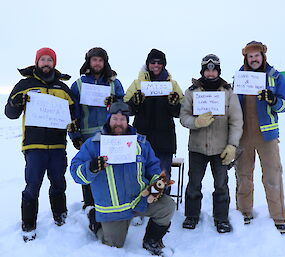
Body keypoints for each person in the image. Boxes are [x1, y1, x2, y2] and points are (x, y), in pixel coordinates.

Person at [70, 102, 175, 256]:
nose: (118, 123)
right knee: (113, 246)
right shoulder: (93, 144)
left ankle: (151, 240)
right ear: (108, 120)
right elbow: (75, 172)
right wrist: (91, 167)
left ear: (127, 121)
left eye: (122, 119)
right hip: (113, 208)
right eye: (115, 119)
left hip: (140, 200)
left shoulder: (140, 143)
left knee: (167, 206)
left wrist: (157, 183)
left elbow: (153, 166)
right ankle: (95, 220)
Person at [5, 47, 77, 242]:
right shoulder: (25, 84)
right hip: (33, 146)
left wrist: (74, 130)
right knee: (32, 185)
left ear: (54, 63)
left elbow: (74, 114)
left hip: (57, 146)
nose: (46, 63)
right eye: (43, 59)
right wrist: (17, 103)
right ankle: (28, 224)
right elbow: (10, 114)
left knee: (58, 183)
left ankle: (60, 216)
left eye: (49, 60)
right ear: (37, 62)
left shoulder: (63, 88)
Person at [180, 54, 243, 233]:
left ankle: (221, 218)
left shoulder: (228, 93)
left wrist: (232, 145)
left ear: (218, 70)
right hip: (197, 148)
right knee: (193, 183)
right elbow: (184, 117)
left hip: (221, 149)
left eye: (213, 69)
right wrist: (196, 122)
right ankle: (191, 215)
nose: (210, 73)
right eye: (207, 70)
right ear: (202, 71)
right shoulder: (192, 92)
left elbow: (236, 121)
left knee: (221, 185)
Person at [235, 41, 285, 234]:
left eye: (257, 55)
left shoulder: (275, 77)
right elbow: (232, 104)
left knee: (272, 177)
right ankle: (244, 212)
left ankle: (278, 216)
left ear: (263, 56)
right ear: (246, 59)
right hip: (243, 135)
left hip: (267, 136)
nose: (254, 59)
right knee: (243, 177)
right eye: (250, 56)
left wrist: (273, 100)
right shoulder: (239, 78)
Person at [68, 47, 124, 210]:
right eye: (94, 59)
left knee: (111, 167)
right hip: (87, 135)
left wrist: (115, 102)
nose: (97, 63)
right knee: (88, 166)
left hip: (111, 135)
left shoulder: (114, 83)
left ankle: (111, 200)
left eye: (100, 60)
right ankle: (90, 203)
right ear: (89, 61)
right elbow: (72, 112)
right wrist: (74, 135)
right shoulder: (79, 84)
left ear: (105, 62)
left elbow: (124, 109)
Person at [124, 49, 183, 195]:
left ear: (164, 65)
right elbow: (126, 110)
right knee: (140, 175)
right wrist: (135, 102)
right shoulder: (137, 83)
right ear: (147, 64)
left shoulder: (172, 84)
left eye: (159, 63)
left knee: (162, 177)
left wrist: (174, 103)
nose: (156, 65)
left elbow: (180, 112)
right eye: (152, 62)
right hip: (142, 139)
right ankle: (141, 208)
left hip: (165, 139)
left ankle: (162, 212)